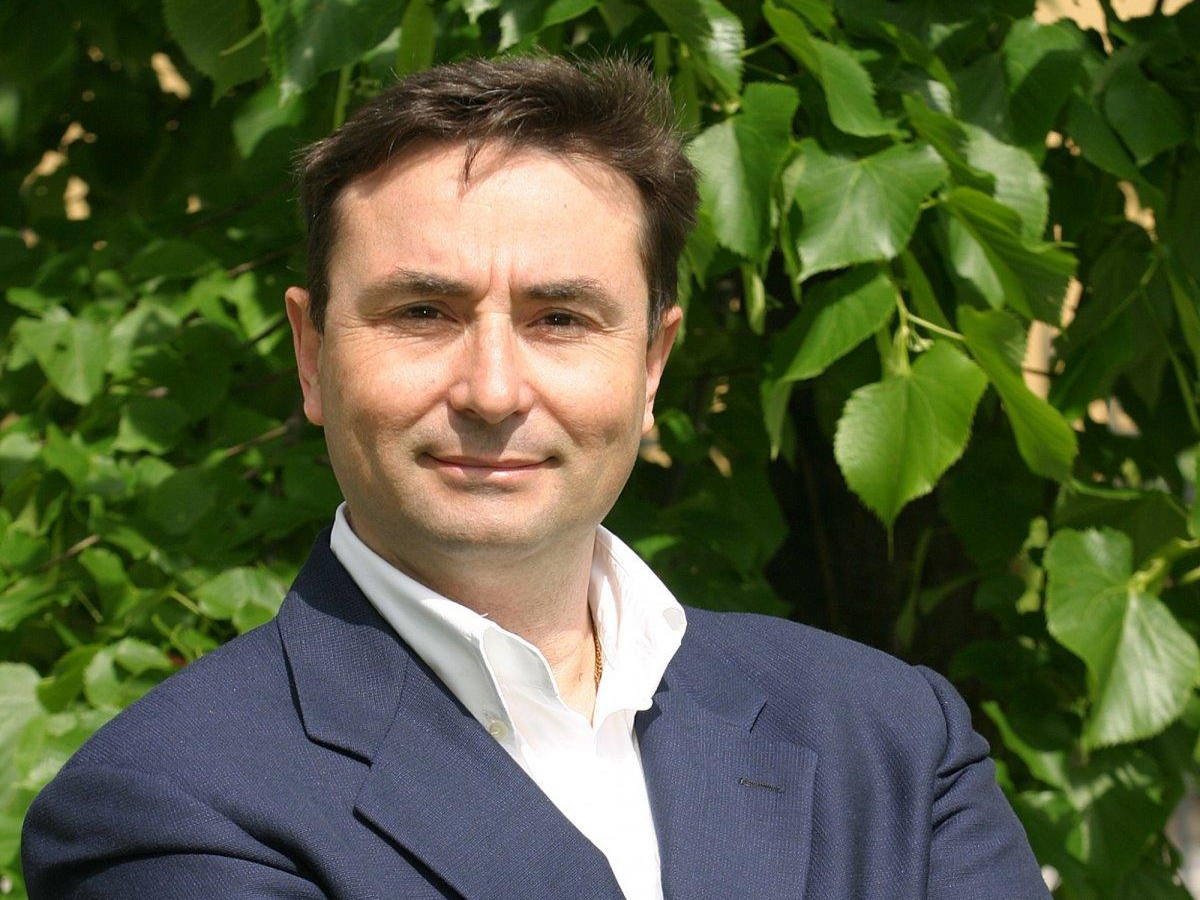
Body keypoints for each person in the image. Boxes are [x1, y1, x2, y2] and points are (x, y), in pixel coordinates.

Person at [21, 54, 1050, 900]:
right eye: (422, 312)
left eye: (561, 318)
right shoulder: (169, 802)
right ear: (311, 354)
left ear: (652, 366)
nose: (493, 389)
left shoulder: (891, 739)